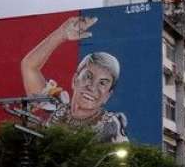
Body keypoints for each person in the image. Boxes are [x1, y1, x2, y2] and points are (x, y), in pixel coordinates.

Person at [21, 15, 128, 143]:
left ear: (108, 96)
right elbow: (28, 66)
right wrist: (61, 34)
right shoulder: (54, 109)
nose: (92, 87)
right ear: (74, 80)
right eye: (88, 76)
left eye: (103, 83)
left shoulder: (111, 125)